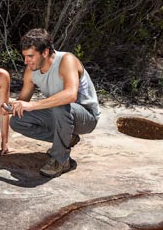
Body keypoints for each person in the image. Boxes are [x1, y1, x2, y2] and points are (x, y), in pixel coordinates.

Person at [8, 28, 100, 177]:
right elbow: (23, 100)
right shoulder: (31, 70)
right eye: (24, 56)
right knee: (17, 120)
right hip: (60, 114)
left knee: (60, 105)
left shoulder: (66, 60)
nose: (26, 61)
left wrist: (32, 105)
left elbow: (70, 95)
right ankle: (66, 139)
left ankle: (61, 160)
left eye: (30, 56)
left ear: (45, 52)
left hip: (86, 117)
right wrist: (11, 106)